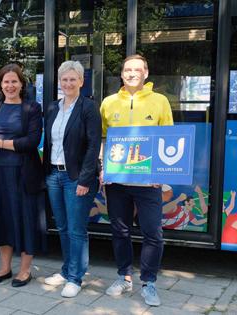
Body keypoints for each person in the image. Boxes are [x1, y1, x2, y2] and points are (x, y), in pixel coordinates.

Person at [100, 54, 174, 306]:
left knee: (153, 233)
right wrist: (103, 168)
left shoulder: (160, 101)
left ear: (146, 73)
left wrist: (161, 175)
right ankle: (124, 277)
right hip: (117, 182)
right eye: (127, 70)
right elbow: (103, 140)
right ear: (121, 74)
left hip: (148, 182)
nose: (132, 74)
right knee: (119, 231)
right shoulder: (108, 103)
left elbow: (169, 140)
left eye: (137, 70)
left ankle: (149, 282)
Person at [0, 63, 46, 288]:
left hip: (23, 175)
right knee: (3, 220)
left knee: (25, 220)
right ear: (0, 84)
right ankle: (5, 267)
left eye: (14, 81)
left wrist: (2, 143)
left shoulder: (32, 108)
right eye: (6, 81)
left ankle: (25, 270)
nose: (10, 85)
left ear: (21, 84)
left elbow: (32, 141)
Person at [42, 60, 101, 297]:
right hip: (54, 174)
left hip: (76, 177)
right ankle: (67, 271)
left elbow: (93, 145)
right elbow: (49, 142)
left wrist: (86, 180)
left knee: (77, 229)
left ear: (81, 82)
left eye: (72, 79)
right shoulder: (52, 107)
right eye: (64, 79)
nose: (68, 83)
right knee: (63, 226)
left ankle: (76, 278)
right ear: (60, 81)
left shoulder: (88, 107)